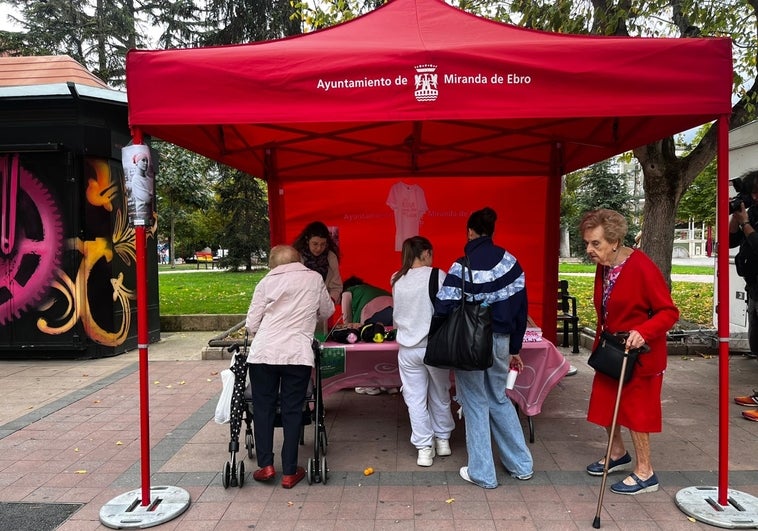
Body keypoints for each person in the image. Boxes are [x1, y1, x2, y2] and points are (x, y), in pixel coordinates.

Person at [579, 209, 679, 495]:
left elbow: (669, 312)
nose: (589, 249)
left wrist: (642, 331)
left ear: (614, 241)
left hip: (641, 354)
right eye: (587, 243)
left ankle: (646, 472)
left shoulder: (641, 266)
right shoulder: (606, 265)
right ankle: (617, 454)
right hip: (613, 351)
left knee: (637, 413)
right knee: (606, 404)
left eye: (595, 244)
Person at [434, 207, 533, 488]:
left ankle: (483, 473)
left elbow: (443, 305)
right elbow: (521, 308)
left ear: (470, 232)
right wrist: (515, 347)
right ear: (491, 232)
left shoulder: (461, 266)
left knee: (475, 402)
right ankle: (521, 465)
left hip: (469, 344)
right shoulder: (511, 263)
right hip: (501, 341)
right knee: (499, 398)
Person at [245, 245, 335, 489]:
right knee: (292, 409)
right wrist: (307, 316)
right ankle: (290, 470)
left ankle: (266, 465)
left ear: (273, 265)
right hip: (297, 353)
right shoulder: (314, 279)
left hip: (264, 353)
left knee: (262, 408)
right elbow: (328, 310)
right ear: (299, 260)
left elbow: (252, 324)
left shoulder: (265, 283)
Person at [392, 236, 455, 466]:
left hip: (407, 348)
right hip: (434, 346)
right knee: (440, 393)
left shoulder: (396, 279)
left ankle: (424, 449)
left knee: (415, 399)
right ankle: (443, 440)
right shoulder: (438, 275)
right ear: (426, 253)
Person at [728, 170, 758, 420]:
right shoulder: (754, 211)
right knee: (757, 344)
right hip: (754, 285)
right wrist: (736, 218)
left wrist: (746, 221)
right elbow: (731, 242)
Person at [292, 221, 343, 304]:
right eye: (315, 244)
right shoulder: (296, 256)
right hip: (300, 305)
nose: (319, 248)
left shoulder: (331, 257)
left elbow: (336, 287)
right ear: (307, 240)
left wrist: (330, 302)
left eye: (323, 244)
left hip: (324, 305)